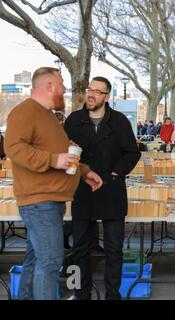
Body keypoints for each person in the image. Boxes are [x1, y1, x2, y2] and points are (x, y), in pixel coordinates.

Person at [4, 67, 103, 300]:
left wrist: (83, 171)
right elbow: (14, 148)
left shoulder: (47, 116)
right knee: (50, 261)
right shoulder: (25, 112)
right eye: (61, 85)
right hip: (40, 202)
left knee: (37, 258)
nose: (64, 89)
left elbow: (62, 155)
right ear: (49, 86)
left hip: (49, 201)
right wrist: (53, 160)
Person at [64, 76, 141, 300]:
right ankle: (79, 293)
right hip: (81, 190)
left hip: (111, 191)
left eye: (97, 91)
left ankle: (112, 295)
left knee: (114, 250)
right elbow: (63, 150)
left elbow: (132, 153)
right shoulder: (74, 120)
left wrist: (116, 173)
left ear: (107, 97)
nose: (91, 94)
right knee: (79, 249)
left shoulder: (119, 122)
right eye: (90, 89)